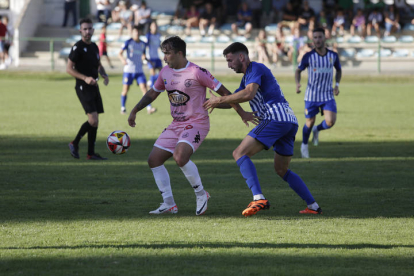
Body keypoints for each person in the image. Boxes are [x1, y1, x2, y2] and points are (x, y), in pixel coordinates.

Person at [127, 36, 256, 215]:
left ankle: (201, 194)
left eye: (168, 54)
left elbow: (225, 94)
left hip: (197, 123)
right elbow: (152, 93)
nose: (165, 58)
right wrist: (135, 110)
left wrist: (240, 112)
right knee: (154, 160)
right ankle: (169, 203)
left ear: (179, 53)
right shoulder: (165, 72)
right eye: (164, 54)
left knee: (180, 157)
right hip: (176, 124)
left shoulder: (197, 72)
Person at [203, 42, 323, 217]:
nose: (229, 65)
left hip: (275, 118)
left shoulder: (256, 68)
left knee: (239, 153)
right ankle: (313, 205)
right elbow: (232, 101)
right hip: (289, 120)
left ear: (241, 57)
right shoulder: (247, 77)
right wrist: (205, 103)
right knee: (281, 170)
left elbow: (248, 94)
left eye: (230, 60)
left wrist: (218, 100)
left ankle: (258, 197)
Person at [295, 28, 342, 159]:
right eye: (315, 38)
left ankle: (317, 129)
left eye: (319, 37)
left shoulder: (333, 56)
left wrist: (337, 85)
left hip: (327, 95)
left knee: (331, 122)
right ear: (312, 40)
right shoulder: (308, 56)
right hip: (311, 95)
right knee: (309, 123)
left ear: (324, 38)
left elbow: (339, 70)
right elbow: (298, 71)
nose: (317, 40)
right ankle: (304, 145)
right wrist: (298, 84)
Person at [66, 18, 109, 160]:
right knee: (92, 120)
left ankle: (91, 153)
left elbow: (98, 64)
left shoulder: (95, 46)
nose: (87, 31)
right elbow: (68, 69)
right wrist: (84, 78)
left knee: (95, 120)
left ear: (93, 30)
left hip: (94, 86)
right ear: (80, 31)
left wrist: (104, 74)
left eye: (90, 28)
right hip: (82, 86)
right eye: (85, 29)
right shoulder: (77, 47)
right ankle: (74, 143)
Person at [118, 26, 155, 115]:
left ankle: (149, 108)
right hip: (129, 70)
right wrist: (123, 60)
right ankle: (123, 108)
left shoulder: (143, 44)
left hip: (139, 71)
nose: (136, 33)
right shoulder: (128, 42)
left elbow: (143, 55)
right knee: (125, 90)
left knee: (145, 90)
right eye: (135, 32)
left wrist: (148, 61)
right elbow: (120, 53)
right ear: (132, 33)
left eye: (138, 32)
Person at [145, 21, 162, 88]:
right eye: (153, 26)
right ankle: (151, 86)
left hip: (157, 57)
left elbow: (160, 46)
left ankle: (150, 82)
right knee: (153, 73)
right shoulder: (148, 35)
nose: (154, 28)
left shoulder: (158, 35)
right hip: (150, 57)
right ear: (150, 27)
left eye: (155, 26)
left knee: (162, 73)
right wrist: (145, 57)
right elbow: (145, 45)